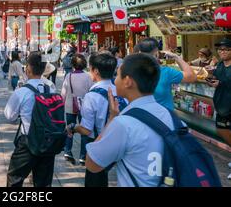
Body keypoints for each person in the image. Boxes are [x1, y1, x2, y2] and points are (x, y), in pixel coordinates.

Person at [81, 53, 177, 187]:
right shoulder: (174, 119)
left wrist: (111, 120)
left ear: (128, 81)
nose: (114, 80)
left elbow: (92, 163)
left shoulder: (123, 124)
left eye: (118, 75)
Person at [65, 52, 119, 186]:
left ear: (95, 71)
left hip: (100, 143)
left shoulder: (92, 96)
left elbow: (86, 130)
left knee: (95, 180)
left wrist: (73, 127)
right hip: (119, 142)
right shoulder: (119, 90)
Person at [4, 52, 56, 187]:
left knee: (14, 177)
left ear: (28, 69)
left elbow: (10, 116)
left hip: (28, 141)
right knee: (43, 183)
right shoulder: (51, 88)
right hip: (48, 141)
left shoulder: (22, 91)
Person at [136, 37, 196, 110]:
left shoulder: (131, 71)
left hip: (140, 117)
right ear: (156, 53)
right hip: (164, 118)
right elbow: (192, 76)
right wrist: (176, 57)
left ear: (139, 53)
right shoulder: (165, 72)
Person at [61, 53, 93, 164]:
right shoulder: (88, 76)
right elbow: (91, 91)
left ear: (73, 64)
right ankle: (83, 156)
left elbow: (63, 94)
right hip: (85, 106)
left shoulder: (68, 76)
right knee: (84, 130)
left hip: (70, 106)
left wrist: (62, 105)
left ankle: (67, 150)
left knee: (70, 128)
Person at [207, 38, 231, 180]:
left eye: (226, 49)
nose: (222, 52)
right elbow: (215, 79)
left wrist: (220, 83)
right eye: (220, 49)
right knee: (221, 130)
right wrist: (210, 75)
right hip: (222, 104)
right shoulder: (221, 64)